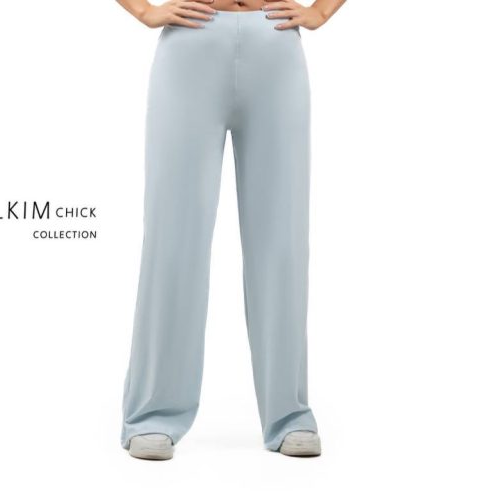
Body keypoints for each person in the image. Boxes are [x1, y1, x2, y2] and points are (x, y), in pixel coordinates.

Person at [116, 0, 346, 460]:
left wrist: (321, 12)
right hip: (190, 46)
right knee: (173, 237)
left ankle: (289, 414)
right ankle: (152, 415)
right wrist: (142, 10)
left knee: (282, 241)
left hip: (275, 45)